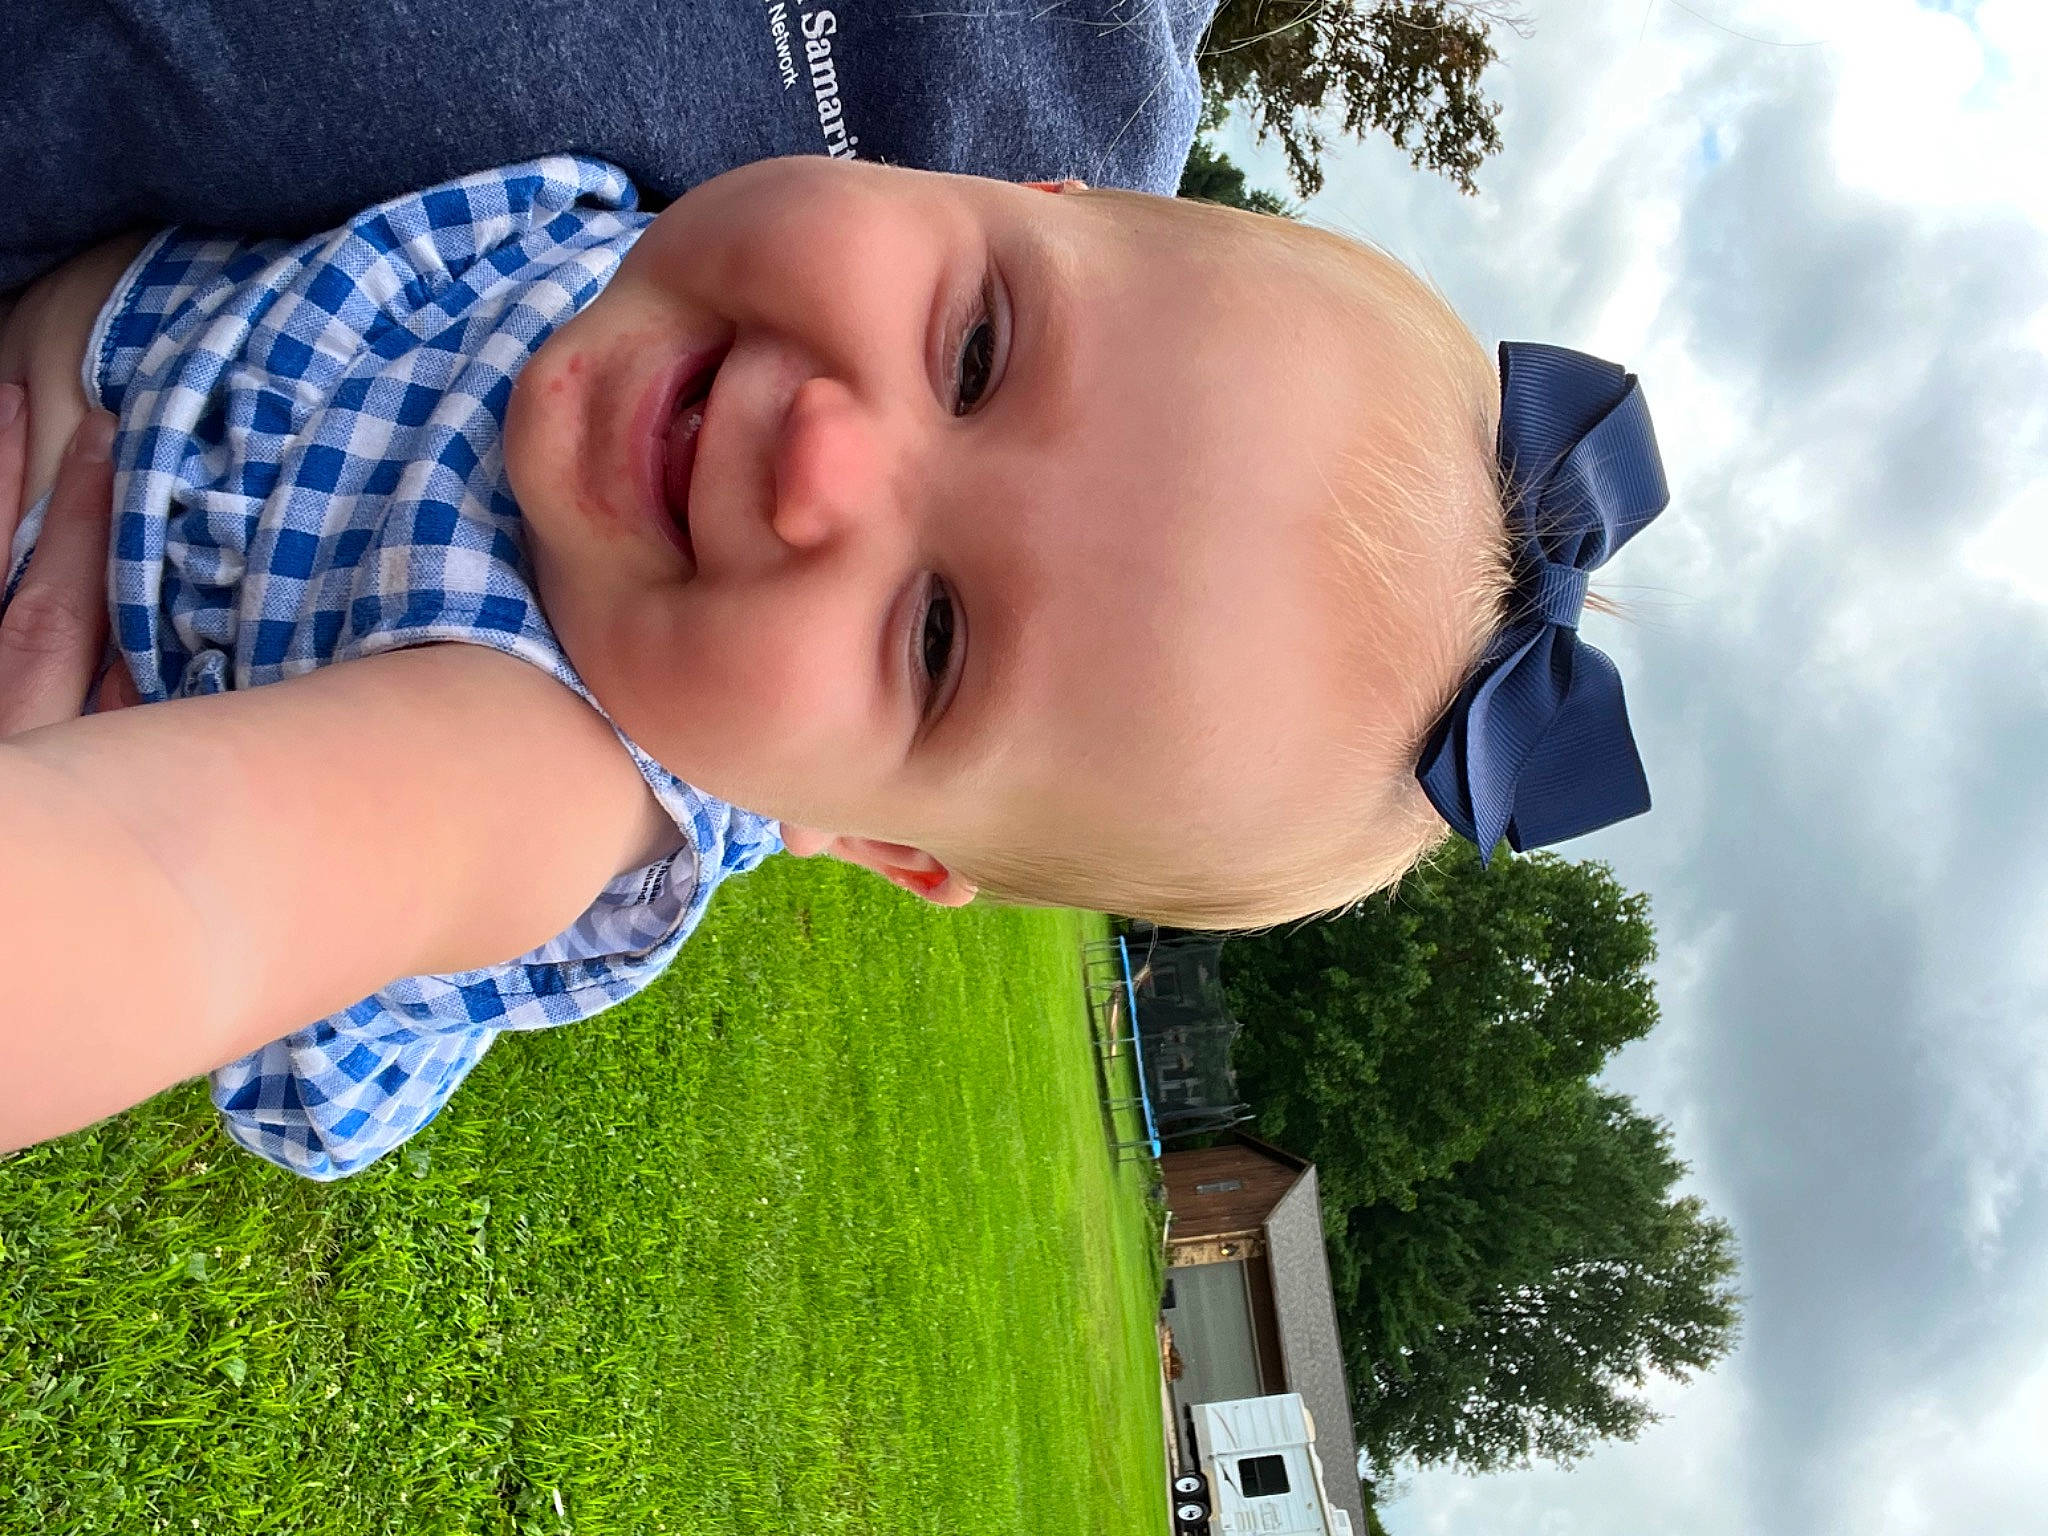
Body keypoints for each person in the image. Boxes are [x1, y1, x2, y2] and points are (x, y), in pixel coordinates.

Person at [0, 152, 1669, 1180]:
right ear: (1028, 188)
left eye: (939, 636)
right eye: (977, 350)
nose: (821, 459)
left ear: (870, 839)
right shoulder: (678, 249)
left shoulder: (535, 765)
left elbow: (164, 896)